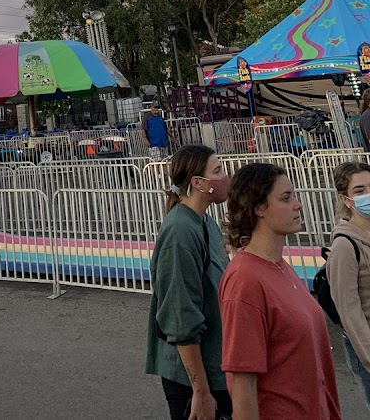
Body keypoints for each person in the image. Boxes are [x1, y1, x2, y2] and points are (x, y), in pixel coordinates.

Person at [219, 163, 341, 420]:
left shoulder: (279, 266)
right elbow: (242, 384)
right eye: (286, 198)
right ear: (258, 207)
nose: (298, 205)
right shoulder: (246, 280)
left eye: (294, 196)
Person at [146, 144, 232, 420]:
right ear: (198, 183)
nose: (225, 177)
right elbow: (180, 317)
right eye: (217, 171)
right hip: (192, 379)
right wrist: (201, 391)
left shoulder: (205, 222)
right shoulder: (180, 232)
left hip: (216, 366)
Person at [328, 161, 370, 409]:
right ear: (346, 200)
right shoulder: (345, 246)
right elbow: (349, 310)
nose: (368, 195)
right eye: (360, 190)